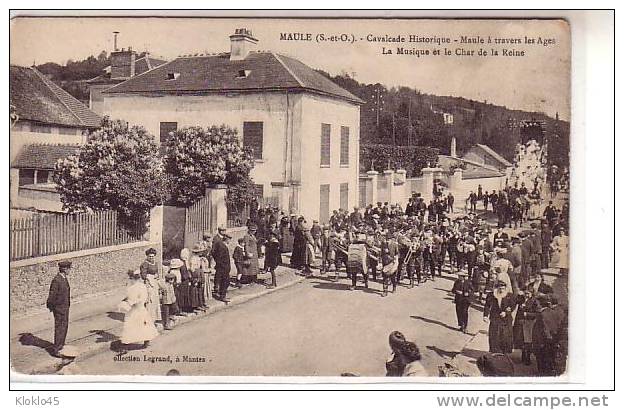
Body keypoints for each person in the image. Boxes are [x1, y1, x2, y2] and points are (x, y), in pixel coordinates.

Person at [119, 270, 159, 350]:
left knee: (143, 325)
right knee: (129, 326)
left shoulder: (141, 286)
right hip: (131, 310)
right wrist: (125, 300)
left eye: (132, 279)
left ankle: (146, 341)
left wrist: (132, 302)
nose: (131, 280)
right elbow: (128, 295)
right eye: (130, 279)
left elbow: (142, 299)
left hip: (139, 309)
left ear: (136, 278)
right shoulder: (130, 286)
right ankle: (126, 345)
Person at [483, 281, 517, 354]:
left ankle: (504, 353)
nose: (501, 290)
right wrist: (485, 315)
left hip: (506, 320)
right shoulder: (492, 295)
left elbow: (513, 306)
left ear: (505, 289)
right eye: (500, 288)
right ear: (496, 288)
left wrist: (506, 312)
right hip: (495, 318)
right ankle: (494, 351)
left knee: (505, 336)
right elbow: (487, 305)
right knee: (494, 335)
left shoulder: (509, 296)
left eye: (503, 289)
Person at [46, 260, 72, 357]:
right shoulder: (57, 280)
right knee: (59, 328)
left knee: (64, 327)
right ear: (64, 269)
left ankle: (61, 345)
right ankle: (56, 349)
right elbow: (52, 296)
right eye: (69, 269)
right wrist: (54, 308)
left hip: (65, 308)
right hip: (59, 309)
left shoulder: (64, 278)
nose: (70, 270)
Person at [211, 232, 232, 302]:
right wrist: (221, 265)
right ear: (226, 239)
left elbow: (213, 253)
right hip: (223, 267)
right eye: (229, 239)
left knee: (223, 281)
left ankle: (221, 294)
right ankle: (222, 296)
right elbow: (219, 257)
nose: (229, 241)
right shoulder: (222, 246)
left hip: (222, 267)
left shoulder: (220, 244)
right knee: (226, 281)